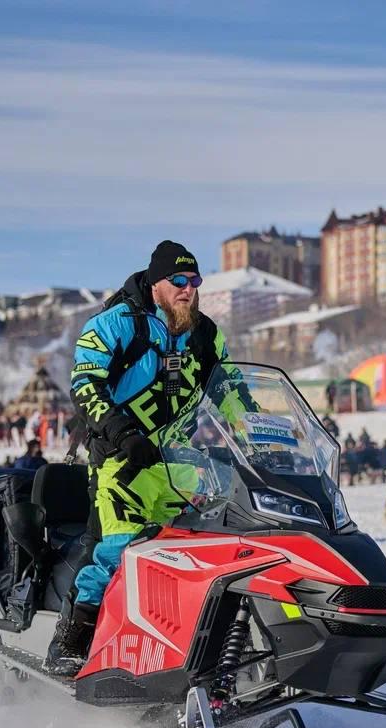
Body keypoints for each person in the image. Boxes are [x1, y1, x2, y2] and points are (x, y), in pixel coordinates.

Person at [48, 240, 231, 676]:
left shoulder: (205, 333)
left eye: (196, 281)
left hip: (180, 467)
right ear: (155, 284)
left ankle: (198, 644)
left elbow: (232, 392)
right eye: (180, 281)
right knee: (120, 549)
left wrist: (264, 440)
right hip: (121, 463)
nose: (190, 289)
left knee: (213, 551)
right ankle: (70, 640)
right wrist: (124, 433)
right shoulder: (115, 324)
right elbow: (84, 386)